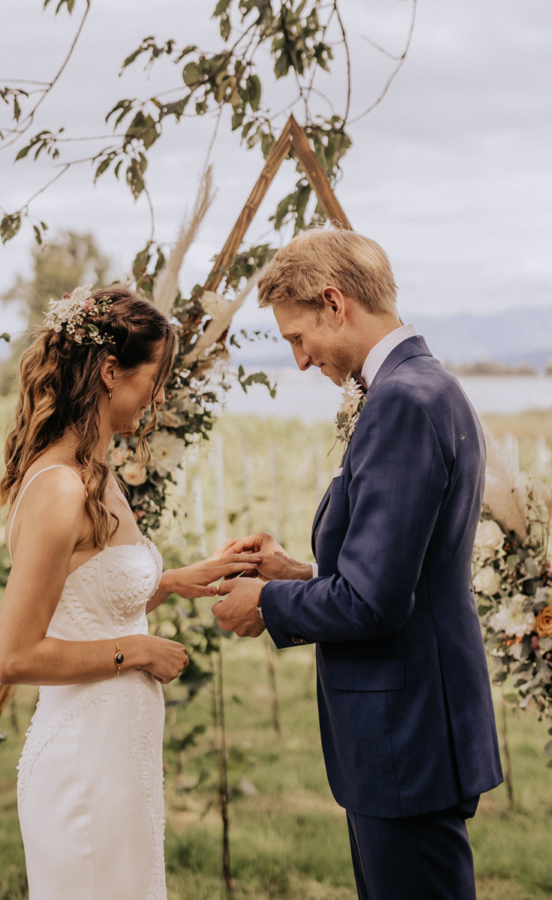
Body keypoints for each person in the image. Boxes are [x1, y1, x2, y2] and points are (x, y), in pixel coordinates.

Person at [213, 229, 503, 900]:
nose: (301, 361)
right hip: (417, 729)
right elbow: (404, 571)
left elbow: (373, 603)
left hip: (403, 738)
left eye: (296, 337)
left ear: (334, 304)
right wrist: (294, 573)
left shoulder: (400, 401)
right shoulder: (427, 387)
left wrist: (263, 603)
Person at [0, 286, 260, 900]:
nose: (161, 395)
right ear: (110, 371)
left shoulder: (99, 475)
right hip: (82, 767)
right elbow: (15, 656)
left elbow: (85, 598)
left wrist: (172, 581)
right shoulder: (60, 489)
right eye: (155, 378)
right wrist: (137, 652)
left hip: (119, 760)